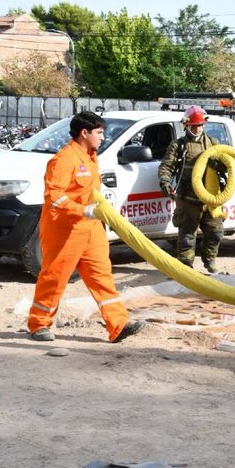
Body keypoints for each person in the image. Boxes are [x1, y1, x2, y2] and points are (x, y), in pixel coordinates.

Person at [27, 112, 146, 343]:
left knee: (102, 277)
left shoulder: (91, 157)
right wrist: (82, 210)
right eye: (99, 133)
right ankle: (38, 324)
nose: (102, 137)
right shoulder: (64, 159)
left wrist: (94, 211)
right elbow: (55, 197)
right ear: (85, 133)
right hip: (65, 231)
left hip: (90, 229)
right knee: (54, 278)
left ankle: (118, 325)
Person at [158, 106, 225, 274]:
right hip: (188, 199)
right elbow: (166, 167)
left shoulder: (213, 143)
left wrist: (220, 165)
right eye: (194, 126)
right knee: (187, 236)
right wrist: (165, 183)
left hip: (209, 199)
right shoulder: (178, 146)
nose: (197, 129)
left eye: (200, 125)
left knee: (215, 232)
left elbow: (226, 165)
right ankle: (186, 268)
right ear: (186, 126)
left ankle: (210, 261)